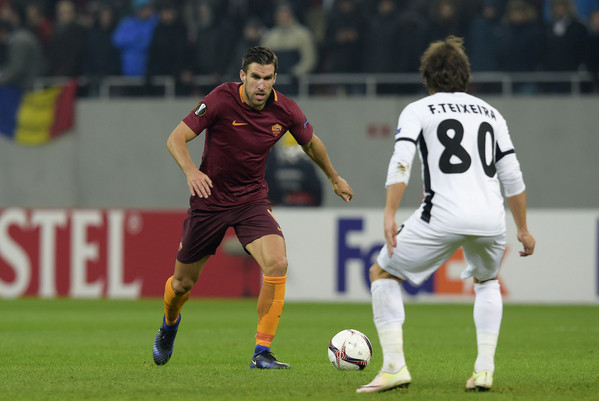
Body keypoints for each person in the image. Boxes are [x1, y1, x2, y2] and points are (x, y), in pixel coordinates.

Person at [152, 46, 353, 369]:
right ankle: (169, 324)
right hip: (210, 201)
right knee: (181, 285)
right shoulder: (220, 99)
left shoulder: (285, 109)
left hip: (251, 201)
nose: (262, 85)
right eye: (256, 77)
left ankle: (262, 353)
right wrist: (192, 171)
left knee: (277, 262)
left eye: (268, 78)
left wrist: (334, 177)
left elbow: (311, 143)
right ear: (243, 76)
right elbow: (176, 138)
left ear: (275, 78)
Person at [356, 36, 535, 393]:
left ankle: (394, 366)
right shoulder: (492, 113)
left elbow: (402, 162)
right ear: (466, 77)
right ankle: (484, 370)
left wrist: (390, 213)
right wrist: (524, 229)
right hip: (490, 218)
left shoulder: (418, 110)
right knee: (487, 282)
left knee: (382, 272)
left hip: (442, 214)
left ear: (426, 79)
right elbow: (512, 175)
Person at [0, 2, 45, 90]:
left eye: (6, 12)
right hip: (28, 86)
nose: (3, 15)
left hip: (30, 89)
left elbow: (16, 68)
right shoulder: (20, 36)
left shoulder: (20, 40)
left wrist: (1, 79)